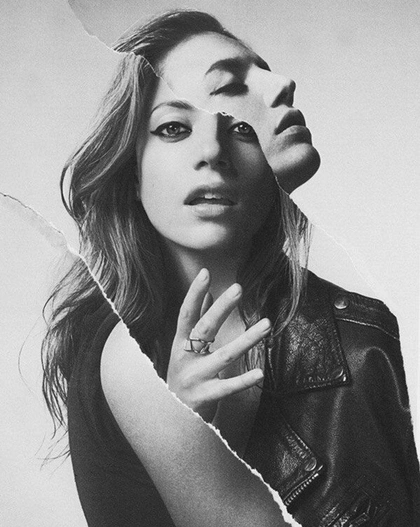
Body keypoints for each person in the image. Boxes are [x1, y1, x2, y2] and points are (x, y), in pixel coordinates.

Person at [42, 9, 420, 527]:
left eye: (240, 129)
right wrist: (192, 439)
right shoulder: (126, 356)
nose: (211, 152)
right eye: (174, 128)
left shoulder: (366, 341)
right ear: (131, 172)